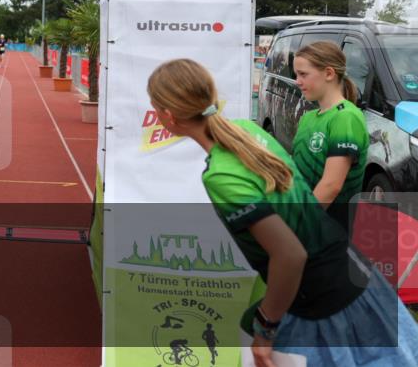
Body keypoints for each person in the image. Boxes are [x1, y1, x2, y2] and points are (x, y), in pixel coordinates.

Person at [147, 58, 418, 367]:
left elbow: (290, 255)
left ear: (167, 115)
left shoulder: (220, 175)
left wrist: (266, 328)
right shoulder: (246, 130)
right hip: (357, 280)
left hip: (327, 306)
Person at [291, 41, 369, 233]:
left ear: (328, 73)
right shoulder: (309, 117)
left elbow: (331, 185)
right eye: (296, 75)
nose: (297, 81)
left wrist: (299, 226)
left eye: (303, 74)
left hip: (328, 231)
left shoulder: (346, 117)